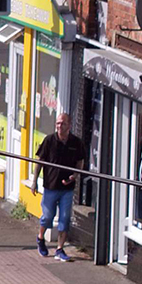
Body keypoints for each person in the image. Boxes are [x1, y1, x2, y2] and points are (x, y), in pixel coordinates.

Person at [33, 112, 87, 262]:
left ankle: (59, 249)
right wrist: (34, 181)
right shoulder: (49, 140)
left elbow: (80, 162)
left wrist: (74, 176)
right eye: (57, 123)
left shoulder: (76, 143)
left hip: (67, 189)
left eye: (62, 123)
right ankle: (40, 238)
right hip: (51, 186)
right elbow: (40, 161)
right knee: (48, 217)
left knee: (64, 219)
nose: (59, 126)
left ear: (69, 125)